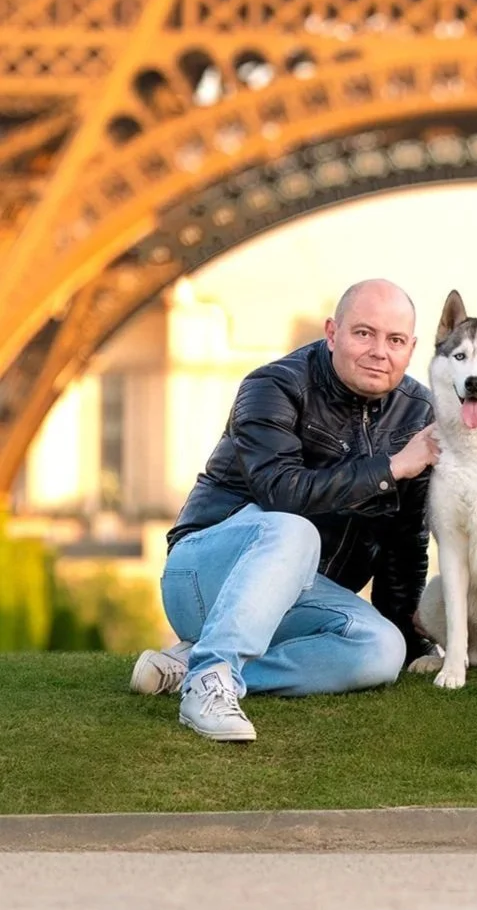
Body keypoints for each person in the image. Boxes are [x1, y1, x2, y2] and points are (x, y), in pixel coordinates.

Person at [129, 279, 440, 742]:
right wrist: (391, 468)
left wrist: (412, 640)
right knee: (294, 530)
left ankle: (195, 666)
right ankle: (209, 683)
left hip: (301, 596)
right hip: (204, 576)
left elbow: (405, 541)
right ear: (332, 333)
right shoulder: (272, 385)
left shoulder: (418, 413)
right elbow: (281, 493)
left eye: (395, 340)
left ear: (411, 349)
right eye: (363, 334)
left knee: (381, 650)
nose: (379, 351)